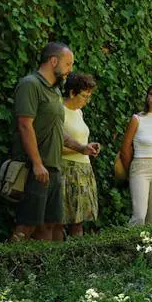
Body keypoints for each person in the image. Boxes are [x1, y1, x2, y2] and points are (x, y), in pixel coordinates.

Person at [10, 42, 98, 241]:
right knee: (27, 225)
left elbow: (58, 131)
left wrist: (82, 148)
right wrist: (37, 163)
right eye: (68, 64)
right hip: (36, 168)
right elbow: (25, 125)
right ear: (53, 61)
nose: (70, 69)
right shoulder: (30, 84)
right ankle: (11, 269)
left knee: (50, 225)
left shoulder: (55, 91)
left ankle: (47, 270)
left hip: (54, 167)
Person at [119, 82, 152, 226]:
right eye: (151, 94)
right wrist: (130, 172)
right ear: (147, 97)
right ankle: (130, 247)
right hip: (140, 167)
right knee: (139, 216)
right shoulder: (137, 119)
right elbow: (124, 149)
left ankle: (150, 247)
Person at [61, 73, 101, 236]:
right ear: (72, 93)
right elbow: (54, 146)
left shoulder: (79, 112)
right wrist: (82, 149)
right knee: (59, 221)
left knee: (79, 222)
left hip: (83, 170)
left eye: (88, 96)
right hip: (66, 170)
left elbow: (80, 140)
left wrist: (89, 148)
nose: (86, 101)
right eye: (84, 96)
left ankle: (77, 258)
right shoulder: (58, 110)